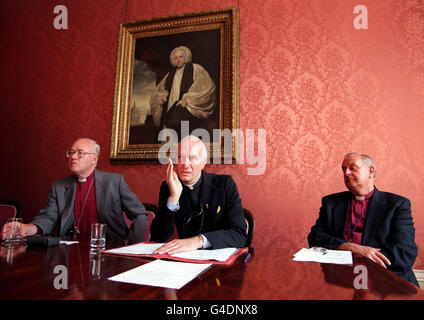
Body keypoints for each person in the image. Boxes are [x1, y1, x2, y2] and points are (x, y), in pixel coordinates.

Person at [1, 138, 149, 244]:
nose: (73, 157)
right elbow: (49, 218)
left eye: (80, 153)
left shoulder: (114, 182)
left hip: (108, 249)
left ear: (94, 159)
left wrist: (132, 245)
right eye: (71, 152)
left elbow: (140, 214)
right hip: (68, 250)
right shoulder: (59, 186)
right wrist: (27, 228)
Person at [307, 153, 419, 286]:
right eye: (344, 170)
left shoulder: (397, 204)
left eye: (352, 168)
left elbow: (404, 252)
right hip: (340, 279)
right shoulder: (331, 203)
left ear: (370, 171)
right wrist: (352, 248)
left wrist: (365, 268)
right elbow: (315, 237)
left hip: (386, 280)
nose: (346, 173)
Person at [150, 135, 246, 254]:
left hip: (219, 257)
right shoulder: (168, 186)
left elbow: (239, 235)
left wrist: (199, 241)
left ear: (203, 162)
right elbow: (157, 237)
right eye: (181, 157)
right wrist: (173, 198)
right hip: (186, 260)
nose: (185, 164)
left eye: (192, 158)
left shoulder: (224, 184)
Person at [150, 46, 216, 136]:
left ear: (186, 57)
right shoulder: (170, 74)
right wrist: (162, 97)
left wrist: (187, 99)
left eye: (180, 57)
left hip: (187, 108)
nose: (178, 60)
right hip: (171, 106)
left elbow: (206, 87)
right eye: (176, 58)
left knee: (186, 135)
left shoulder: (195, 68)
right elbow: (160, 91)